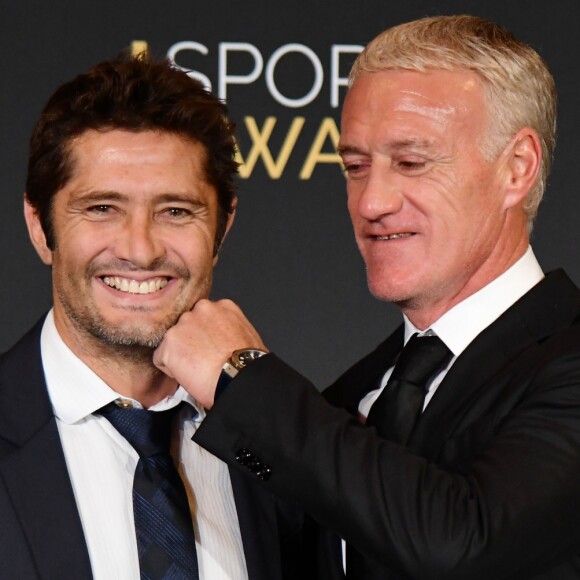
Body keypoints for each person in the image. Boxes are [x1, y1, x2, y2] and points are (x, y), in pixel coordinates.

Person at [152, 15, 580, 579]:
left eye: (412, 162)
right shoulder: (355, 396)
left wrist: (243, 378)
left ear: (516, 168)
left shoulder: (567, 363)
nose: (371, 201)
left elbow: (462, 544)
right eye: (355, 166)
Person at [0, 54, 316, 580]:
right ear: (39, 226)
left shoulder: (286, 445)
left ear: (222, 228)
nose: (141, 250)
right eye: (102, 208)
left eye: (176, 211)